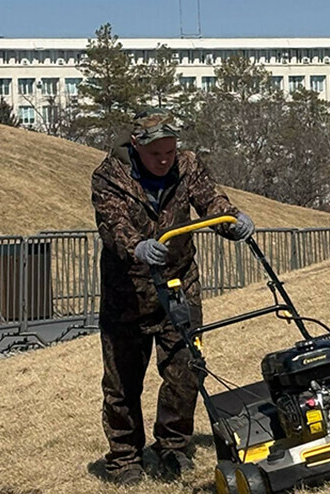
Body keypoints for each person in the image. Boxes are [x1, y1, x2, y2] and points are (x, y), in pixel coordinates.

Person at [91, 107, 255, 486]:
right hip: (128, 293)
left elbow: (210, 200)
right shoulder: (109, 176)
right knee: (122, 383)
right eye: (155, 154)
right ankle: (124, 458)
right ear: (136, 145)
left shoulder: (187, 165)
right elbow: (112, 223)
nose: (164, 160)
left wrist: (233, 219)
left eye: (169, 151)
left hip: (179, 284)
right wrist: (137, 246)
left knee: (186, 370)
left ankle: (173, 446)